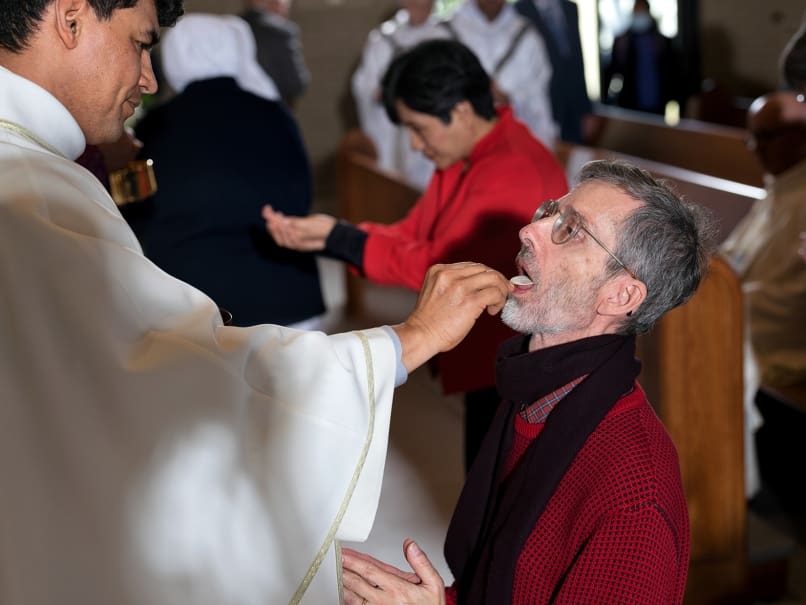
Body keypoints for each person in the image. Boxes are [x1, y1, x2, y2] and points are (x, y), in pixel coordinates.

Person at [0, 2, 513, 603]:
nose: (149, 79)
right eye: (141, 44)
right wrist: (407, 340)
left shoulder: (45, 166)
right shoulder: (32, 187)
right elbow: (180, 368)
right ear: (72, 20)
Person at [340, 159, 714, 605]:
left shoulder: (634, 493)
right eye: (550, 212)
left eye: (571, 230)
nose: (528, 231)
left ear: (620, 295)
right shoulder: (534, 393)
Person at [265, 39, 568, 473]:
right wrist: (334, 234)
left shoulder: (510, 169)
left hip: (517, 360)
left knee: (499, 490)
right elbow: (412, 233)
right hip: (492, 354)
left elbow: (437, 263)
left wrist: (341, 240)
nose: (414, 145)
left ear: (461, 111)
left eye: (419, 128)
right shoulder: (469, 157)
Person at [123, 13, 322, 329]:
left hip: (196, 306)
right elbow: (302, 195)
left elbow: (136, 210)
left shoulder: (157, 125)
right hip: (287, 302)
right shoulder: (274, 113)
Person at [721, 91, 806, 395]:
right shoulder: (779, 187)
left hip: (777, 350)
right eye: (752, 138)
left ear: (800, 137)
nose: (756, 149)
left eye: (766, 137)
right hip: (740, 319)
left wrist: (723, 305)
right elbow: (733, 257)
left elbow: (789, 299)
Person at [351, 0, 451, 190]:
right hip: (390, 132)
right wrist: (379, 92)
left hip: (431, 135)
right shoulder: (383, 38)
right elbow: (363, 85)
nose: (421, 4)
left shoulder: (446, 37)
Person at [443, 0, 557, 149]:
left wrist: (510, 99)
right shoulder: (446, 34)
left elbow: (539, 105)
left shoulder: (527, 36)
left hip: (514, 144)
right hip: (460, 146)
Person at [514, 0, 596, 144]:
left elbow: (577, 61)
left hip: (573, 108)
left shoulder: (570, 8)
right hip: (542, 108)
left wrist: (586, 110)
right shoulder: (517, 11)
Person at [602, 0, 683, 116]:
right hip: (630, 103)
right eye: (637, 11)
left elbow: (673, 72)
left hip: (658, 102)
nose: (640, 15)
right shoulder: (623, 42)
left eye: (642, 11)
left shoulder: (662, 42)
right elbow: (612, 71)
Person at [240, 0, 310, 109]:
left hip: (234, 113)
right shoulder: (282, 33)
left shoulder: (229, 29)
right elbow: (295, 84)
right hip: (271, 113)